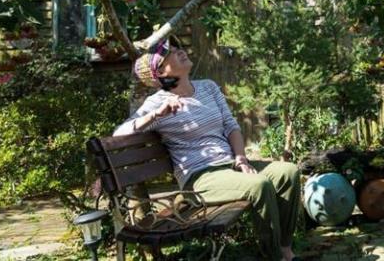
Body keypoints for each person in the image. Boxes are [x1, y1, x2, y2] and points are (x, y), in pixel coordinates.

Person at [114, 41, 302, 261]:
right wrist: (156, 115)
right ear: (161, 73)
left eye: (177, 49)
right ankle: (274, 257)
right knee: (259, 185)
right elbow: (119, 134)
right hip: (200, 178)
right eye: (172, 54)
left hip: (229, 165)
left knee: (288, 172)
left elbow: (231, 126)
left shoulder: (208, 87)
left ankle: (285, 249)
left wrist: (241, 159)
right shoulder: (157, 103)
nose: (180, 51)